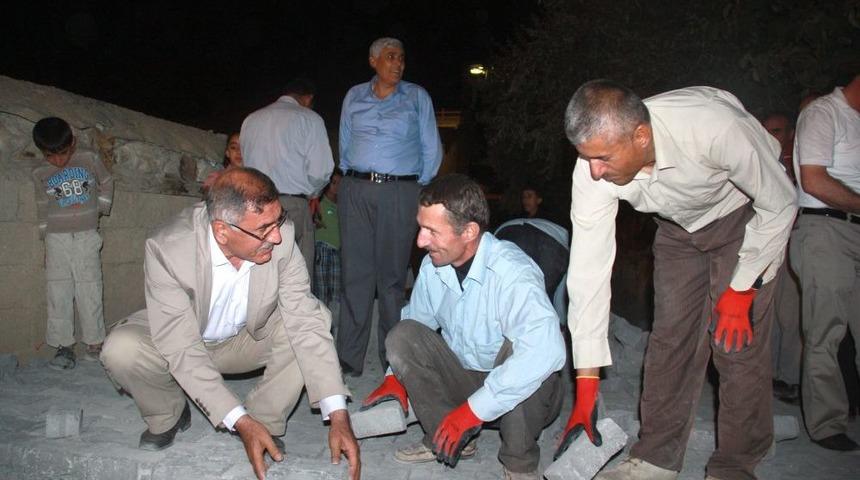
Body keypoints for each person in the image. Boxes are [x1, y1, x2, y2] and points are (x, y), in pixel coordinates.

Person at [558, 80, 797, 480]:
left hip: (743, 214)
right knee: (670, 340)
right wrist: (586, 386)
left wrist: (742, 290)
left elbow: (780, 202)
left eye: (603, 158)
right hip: (677, 229)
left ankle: (736, 464)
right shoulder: (591, 167)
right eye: (587, 158)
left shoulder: (713, 127)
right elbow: (588, 270)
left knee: (734, 342)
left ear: (640, 136)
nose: (594, 171)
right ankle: (655, 457)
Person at [100, 168, 360, 480]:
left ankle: (264, 420)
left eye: (278, 221)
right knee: (121, 348)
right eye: (265, 230)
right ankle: (167, 414)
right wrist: (238, 420)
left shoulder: (282, 236)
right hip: (185, 335)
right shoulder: (168, 249)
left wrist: (338, 413)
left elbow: (304, 320)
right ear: (223, 232)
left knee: (317, 315)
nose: (276, 236)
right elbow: (181, 348)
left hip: (245, 338)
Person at [362, 174, 565, 480]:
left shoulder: (512, 272)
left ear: (469, 231)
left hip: (524, 402)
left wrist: (472, 412)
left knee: (524, 349)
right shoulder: (434, 264)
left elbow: (546, 352)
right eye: (420, 227)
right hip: (467, 384)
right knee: (402, 336)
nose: (420, 241)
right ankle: (448, 438)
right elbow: (416, 321)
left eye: (432, 231)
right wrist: (395, 376)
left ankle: (519, 463)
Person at [337, 37, 443, 376]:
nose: (397, 63)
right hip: (355, 188)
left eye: (401, 57)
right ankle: (349, 357)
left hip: (400, 191)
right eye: (390, 57)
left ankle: (393, 356)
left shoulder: (416, 97)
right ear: (373, 61)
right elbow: (344, 142)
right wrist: (352, 176)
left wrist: (414, 188)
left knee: (393, 277)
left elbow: (431, 148)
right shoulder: (354, 96)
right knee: (355, 274)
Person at [790, 73, 860, 453]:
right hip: (826, 229)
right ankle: (826, 423)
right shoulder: (823, 113)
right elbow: (814, 181)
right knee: (826, 330)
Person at [32, 116, 114, 370]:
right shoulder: (40, 172)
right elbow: (42, 204)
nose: (58, 161)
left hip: (86, 234)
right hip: (57, 238)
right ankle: (63, 347)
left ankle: (94, 343)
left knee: (89, 286)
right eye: (50, 156)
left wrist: (100, 209)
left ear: (73, 143)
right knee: (58, 290)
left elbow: (107, 182)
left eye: (63, 153)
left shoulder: (88, 159)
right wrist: (45, 236)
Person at [241, 77, 334, 277]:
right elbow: (321, 170)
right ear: (308, 98)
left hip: (251, 205)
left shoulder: (251, 119)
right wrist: (314, 193)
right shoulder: (310, 118)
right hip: (292, 204)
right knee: (296, 274)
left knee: (259, 272)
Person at [760, 112, 802, 404]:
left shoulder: (797, 162)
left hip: (792, 240)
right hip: (763, 244)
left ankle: (789, 378)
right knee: (767, 312)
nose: (770, 135)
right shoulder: (762, 159)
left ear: (790, 132)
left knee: (790, 313)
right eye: (766, 130)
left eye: (776, 130)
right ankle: (768, 375)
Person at [313, 170, 342, 326]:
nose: (336, 187)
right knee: (322, 291)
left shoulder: (342, 206)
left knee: (336, 292)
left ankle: (333, 326)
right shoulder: (319, 203)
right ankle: (321, 326)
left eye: (340, 184)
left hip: (337, 252)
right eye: (333, 183)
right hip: (323, 250)